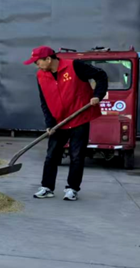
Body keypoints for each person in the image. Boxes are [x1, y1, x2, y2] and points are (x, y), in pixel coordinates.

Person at [25, 46, 108, 201]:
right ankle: (47, 187)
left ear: (48, 59)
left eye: (37, 62)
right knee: (51, 156)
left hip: (79, 119)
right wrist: (49, 123)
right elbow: (44, 101)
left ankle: (72, 189)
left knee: (76, 156)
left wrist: (98, 95)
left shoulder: (75, 66)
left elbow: (101, 75)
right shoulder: (40, 75)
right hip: (59, 121)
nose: (36, 65)